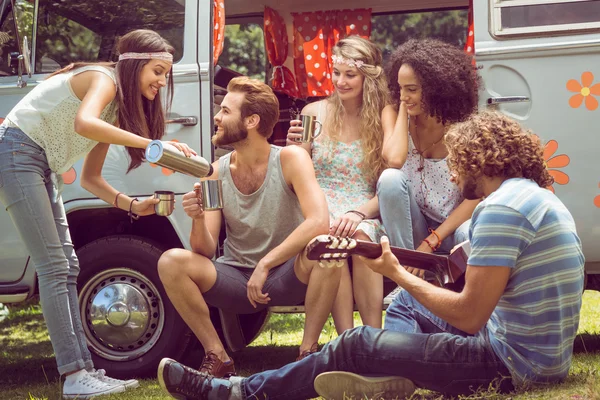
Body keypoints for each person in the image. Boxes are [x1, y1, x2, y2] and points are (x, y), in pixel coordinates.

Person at [155, 110, 585, 400]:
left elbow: (469, 315)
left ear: (482, 159)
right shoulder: (532, 197)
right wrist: (406, 282)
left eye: (458, 162)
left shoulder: (500, 210)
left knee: (358, 340)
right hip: (537, 353)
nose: (453, 174)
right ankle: (387, 371)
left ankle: (235, 391)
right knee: (406, 301)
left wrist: (397, 270)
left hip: (511, 363)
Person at [0, 30, 195, 399]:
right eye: (157, 71)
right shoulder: (104, 79)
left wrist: (132, 204)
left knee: (68, 266)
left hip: (39, 164)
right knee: (54, 266)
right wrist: (153, 144)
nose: (162, 82)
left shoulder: (116, 108)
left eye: (165, 74)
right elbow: (83, 124)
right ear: (135, 65)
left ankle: (87, 370)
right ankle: (74, 375)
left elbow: (90, 178)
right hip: (16, 153)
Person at [157, 76, 341, 378]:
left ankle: (306, 354)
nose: (217, 116)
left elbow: (319, 221)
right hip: (237, 279)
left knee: (328, 249)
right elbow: (203, 250)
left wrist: (267, 264)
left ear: (252, 120)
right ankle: (217, 357)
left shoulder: (291, 159)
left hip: (285, 274)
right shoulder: (214, 174)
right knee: (171, 262)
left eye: (226, 111)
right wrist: (198, 217)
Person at [287, 36, 389, 332]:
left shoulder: (383, 118)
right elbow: (298, 172)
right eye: (336, 73)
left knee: (361, 236)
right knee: (332, 238)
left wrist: (359, 212)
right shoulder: (312, 113)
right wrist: (293, 146)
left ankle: (373, 334)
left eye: (350, 75)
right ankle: (347, 337)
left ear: (367, 77)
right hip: (320, 204)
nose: (340, 82)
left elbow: (390, 185)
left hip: (364, 206)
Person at [377, 39, 480, 275]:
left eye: (412, 89)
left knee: (469, 232)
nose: (403, 96)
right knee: (390, 178)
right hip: (414, 228)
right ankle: (404, 275)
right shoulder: (393, 113)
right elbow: (394, 160)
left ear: (437, 89)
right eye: (400, 88)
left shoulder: (463, 127)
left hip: (453, 229)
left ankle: (467, 294)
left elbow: (475, 199)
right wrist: (404, 107)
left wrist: (432, 241)